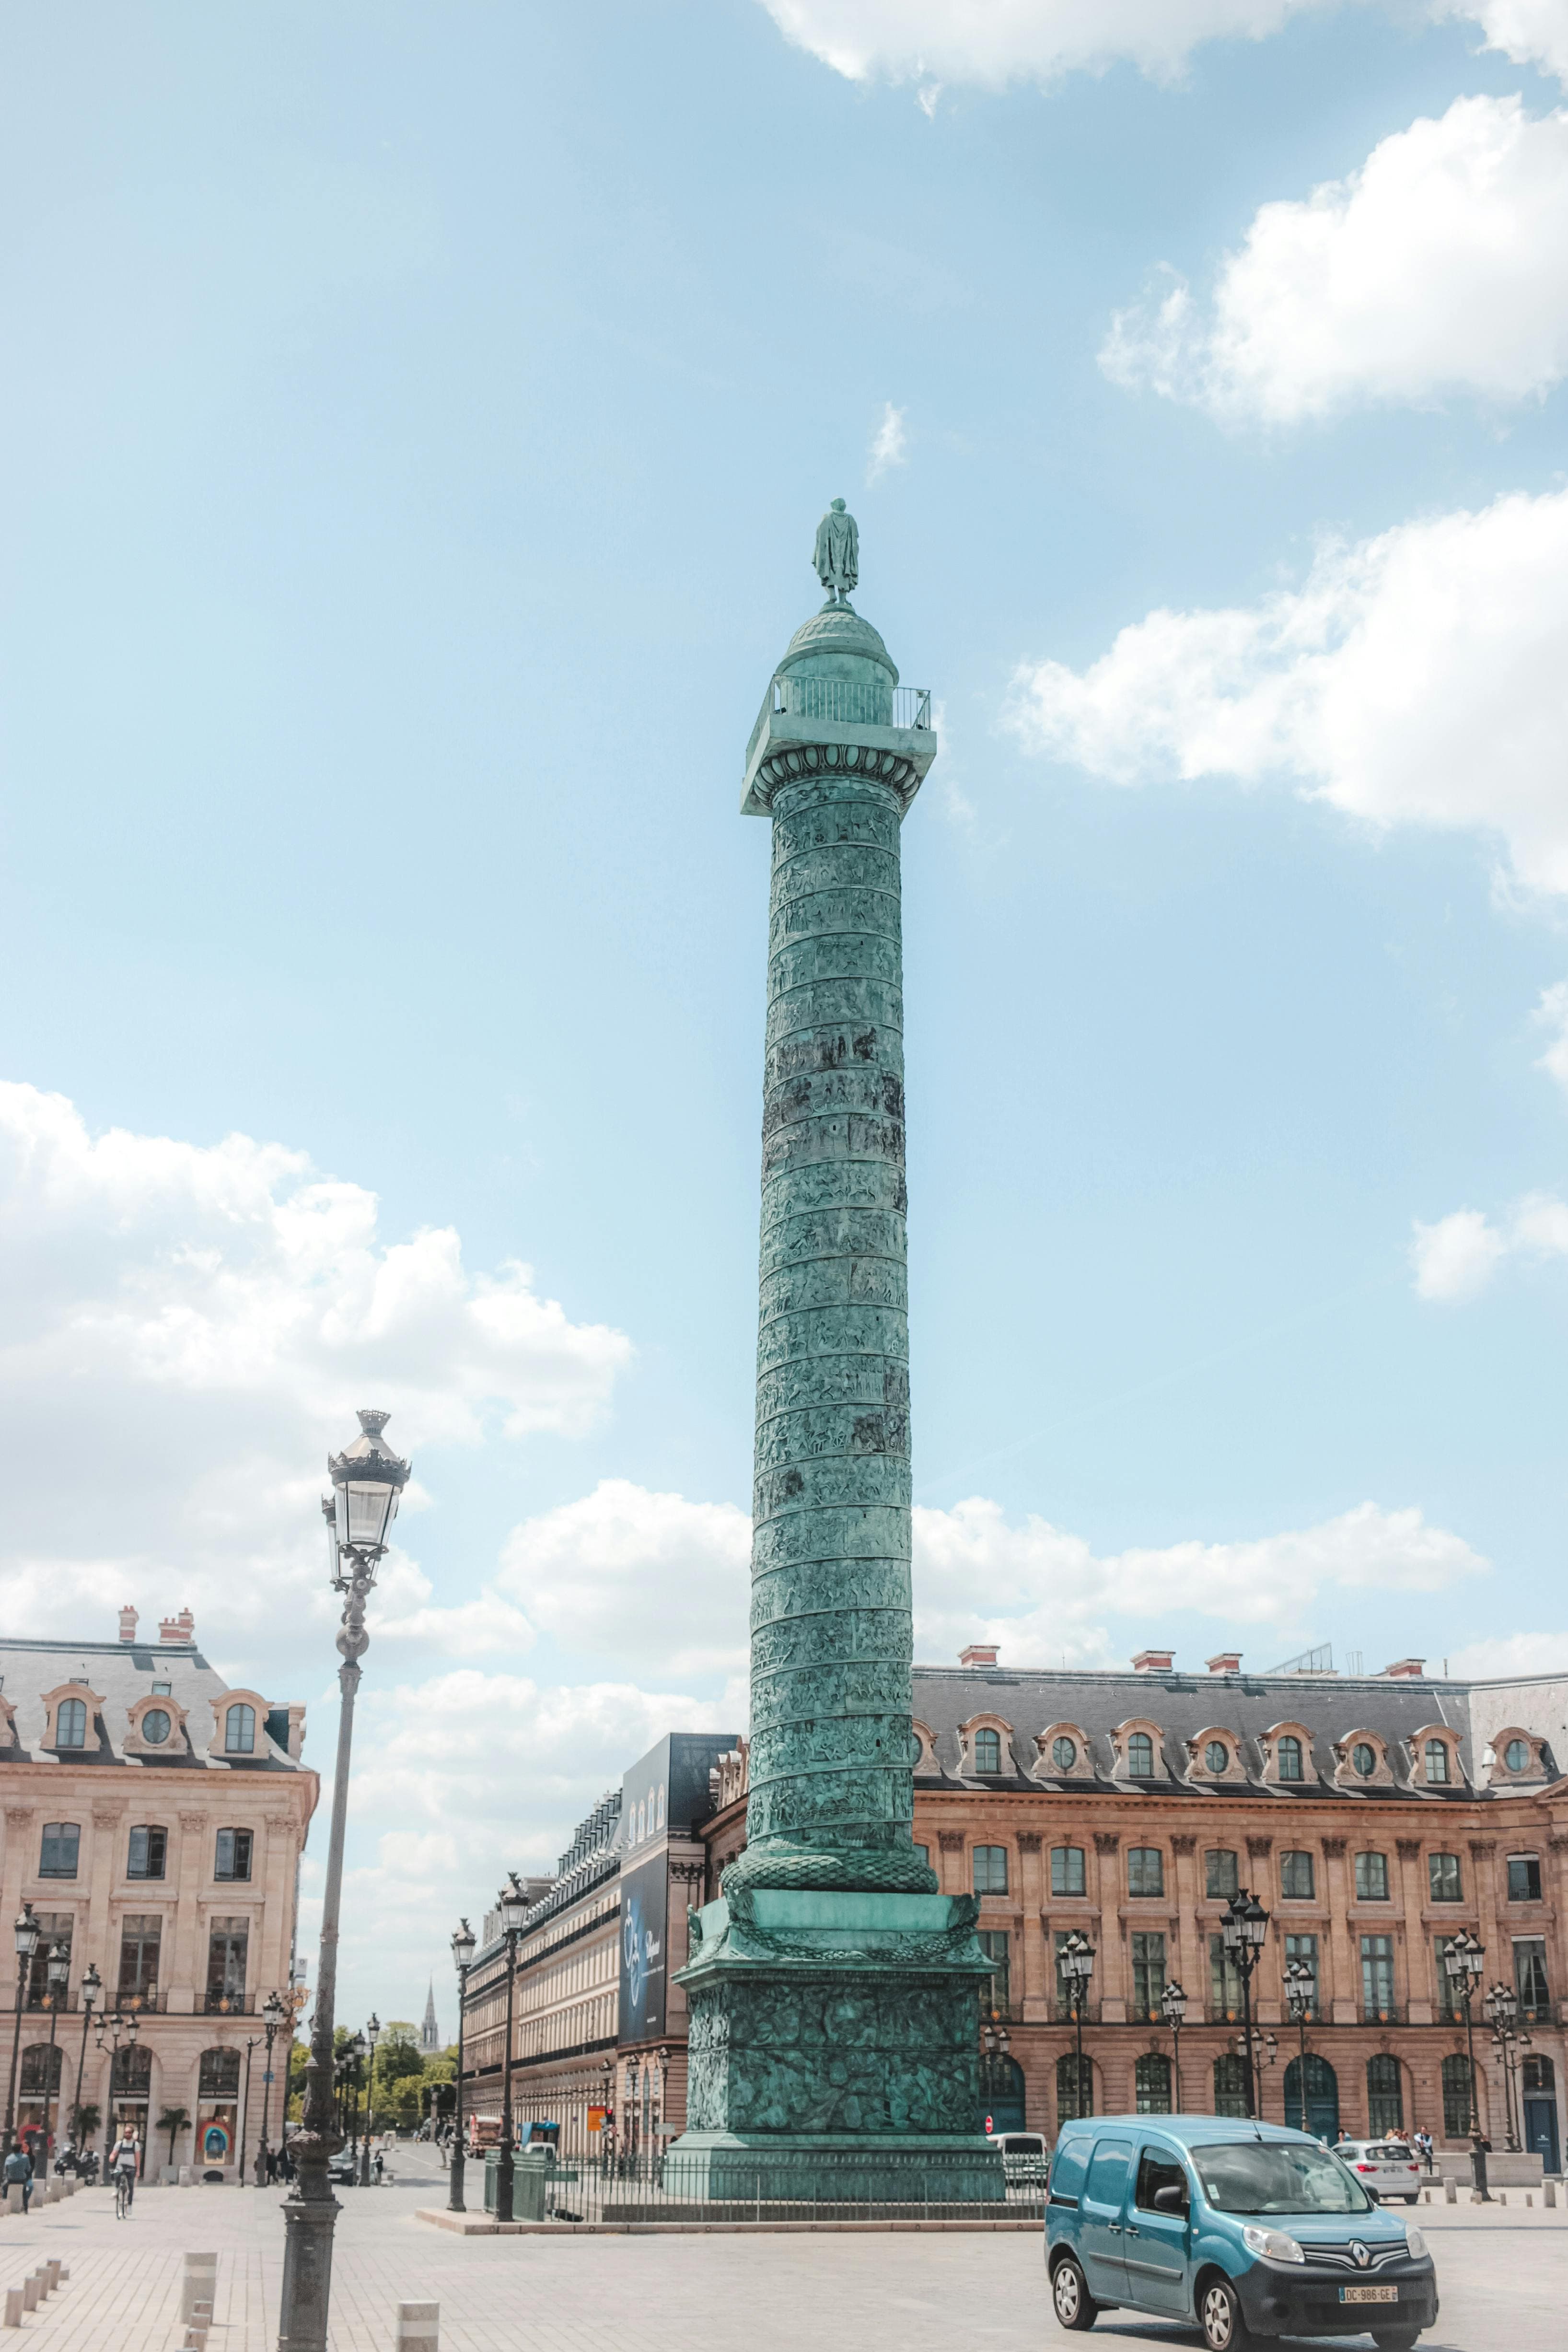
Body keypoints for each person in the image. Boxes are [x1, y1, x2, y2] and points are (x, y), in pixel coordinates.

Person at [108, 2125, 140, 2210]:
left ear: (132, 2134)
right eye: (126, 2132)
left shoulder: (135, 2145)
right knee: (117, 2174)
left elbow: (137, 2158)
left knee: (130, 2185)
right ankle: (116, 2190)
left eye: (129, 2132)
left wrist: (138, 2170)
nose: (127, 2134)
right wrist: (112, 2157)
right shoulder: (120, 2143)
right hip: (121, 2165)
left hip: (131, 2167)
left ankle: (129, 2205)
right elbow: (114, 2153)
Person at [2, 2145, 32, 2212]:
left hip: (11, 2180)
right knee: (25, 2192)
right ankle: (26, 2208)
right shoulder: (25, 2157)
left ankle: (4, 2203)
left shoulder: (9, 2158)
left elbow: (6, 2170)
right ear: (21, 2149)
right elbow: (28, 2169)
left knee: (4, 2188)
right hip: (22, 2180)